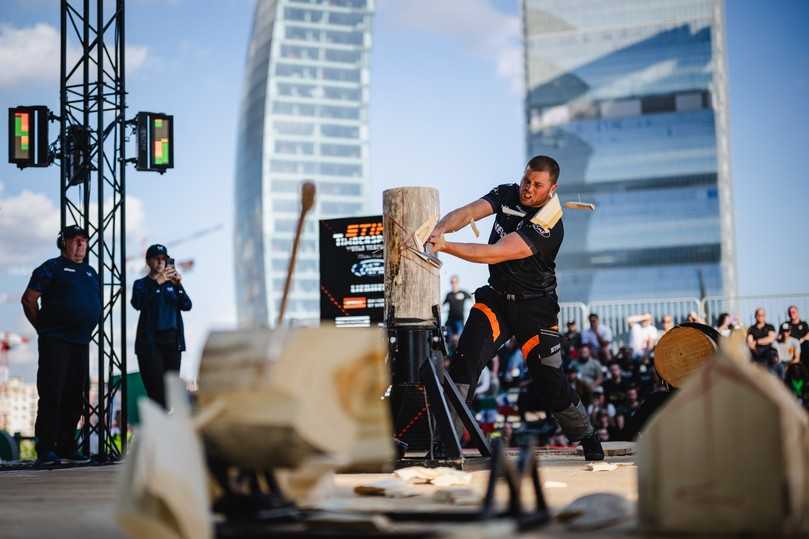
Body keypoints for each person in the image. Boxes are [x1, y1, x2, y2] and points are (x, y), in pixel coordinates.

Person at [426, 155, 604, 460]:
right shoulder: (507, 193)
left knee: (551, 382)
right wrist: (439, 231)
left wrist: (447, 247)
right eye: (526, 181)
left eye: (537, 185)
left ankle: (587, 436)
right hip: (497, 299)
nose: (528, 189)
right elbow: (469, 212)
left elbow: (495, 253)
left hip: (534, 310)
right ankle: (447, 446)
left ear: (552, 188)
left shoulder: (549, 225)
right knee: (463, 367)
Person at [21, 225, 101, 464]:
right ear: (63, 243)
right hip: (55, 340)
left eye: (84, 241)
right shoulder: (50, 268)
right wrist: (43, 330)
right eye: (75, 240)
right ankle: (45, 449)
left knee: (74, 396)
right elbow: (29, 299)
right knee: (51, 393)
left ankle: (67, 446)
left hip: (80, 341)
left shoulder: (90, 272)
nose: (80, 244)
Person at [131, 244, 192, 408]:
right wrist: (158, 282)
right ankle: (159, 427)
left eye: (164, 259)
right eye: (157, 258)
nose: (160, 262)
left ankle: (168, 427)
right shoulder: (141, 284)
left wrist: (178, 285)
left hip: (172, 343)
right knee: (156, 392)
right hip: (150, 345)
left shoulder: (172, 284)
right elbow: (138, 303)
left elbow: (187, 305)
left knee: (171, 392)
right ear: (148, 261)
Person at [443, 275, 472, 351]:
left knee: (460, 340)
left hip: (459, 321)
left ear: (458, 282)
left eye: (454, 282)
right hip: (450, 321)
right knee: (448, 340)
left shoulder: (463, 293)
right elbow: (442, 305)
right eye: (451, 282)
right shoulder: (449, 294)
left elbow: (472, 299)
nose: (453, 284)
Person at [785, 306, 809, 370]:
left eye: (793, 312)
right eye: (789, 313)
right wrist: (795, 342)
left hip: (803, 346)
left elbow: (808, 335)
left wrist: (802, 339)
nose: (791, 314)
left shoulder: (804, 324)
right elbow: (783, 335)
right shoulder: (786, 325)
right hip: (791, 347)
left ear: (797, 313)